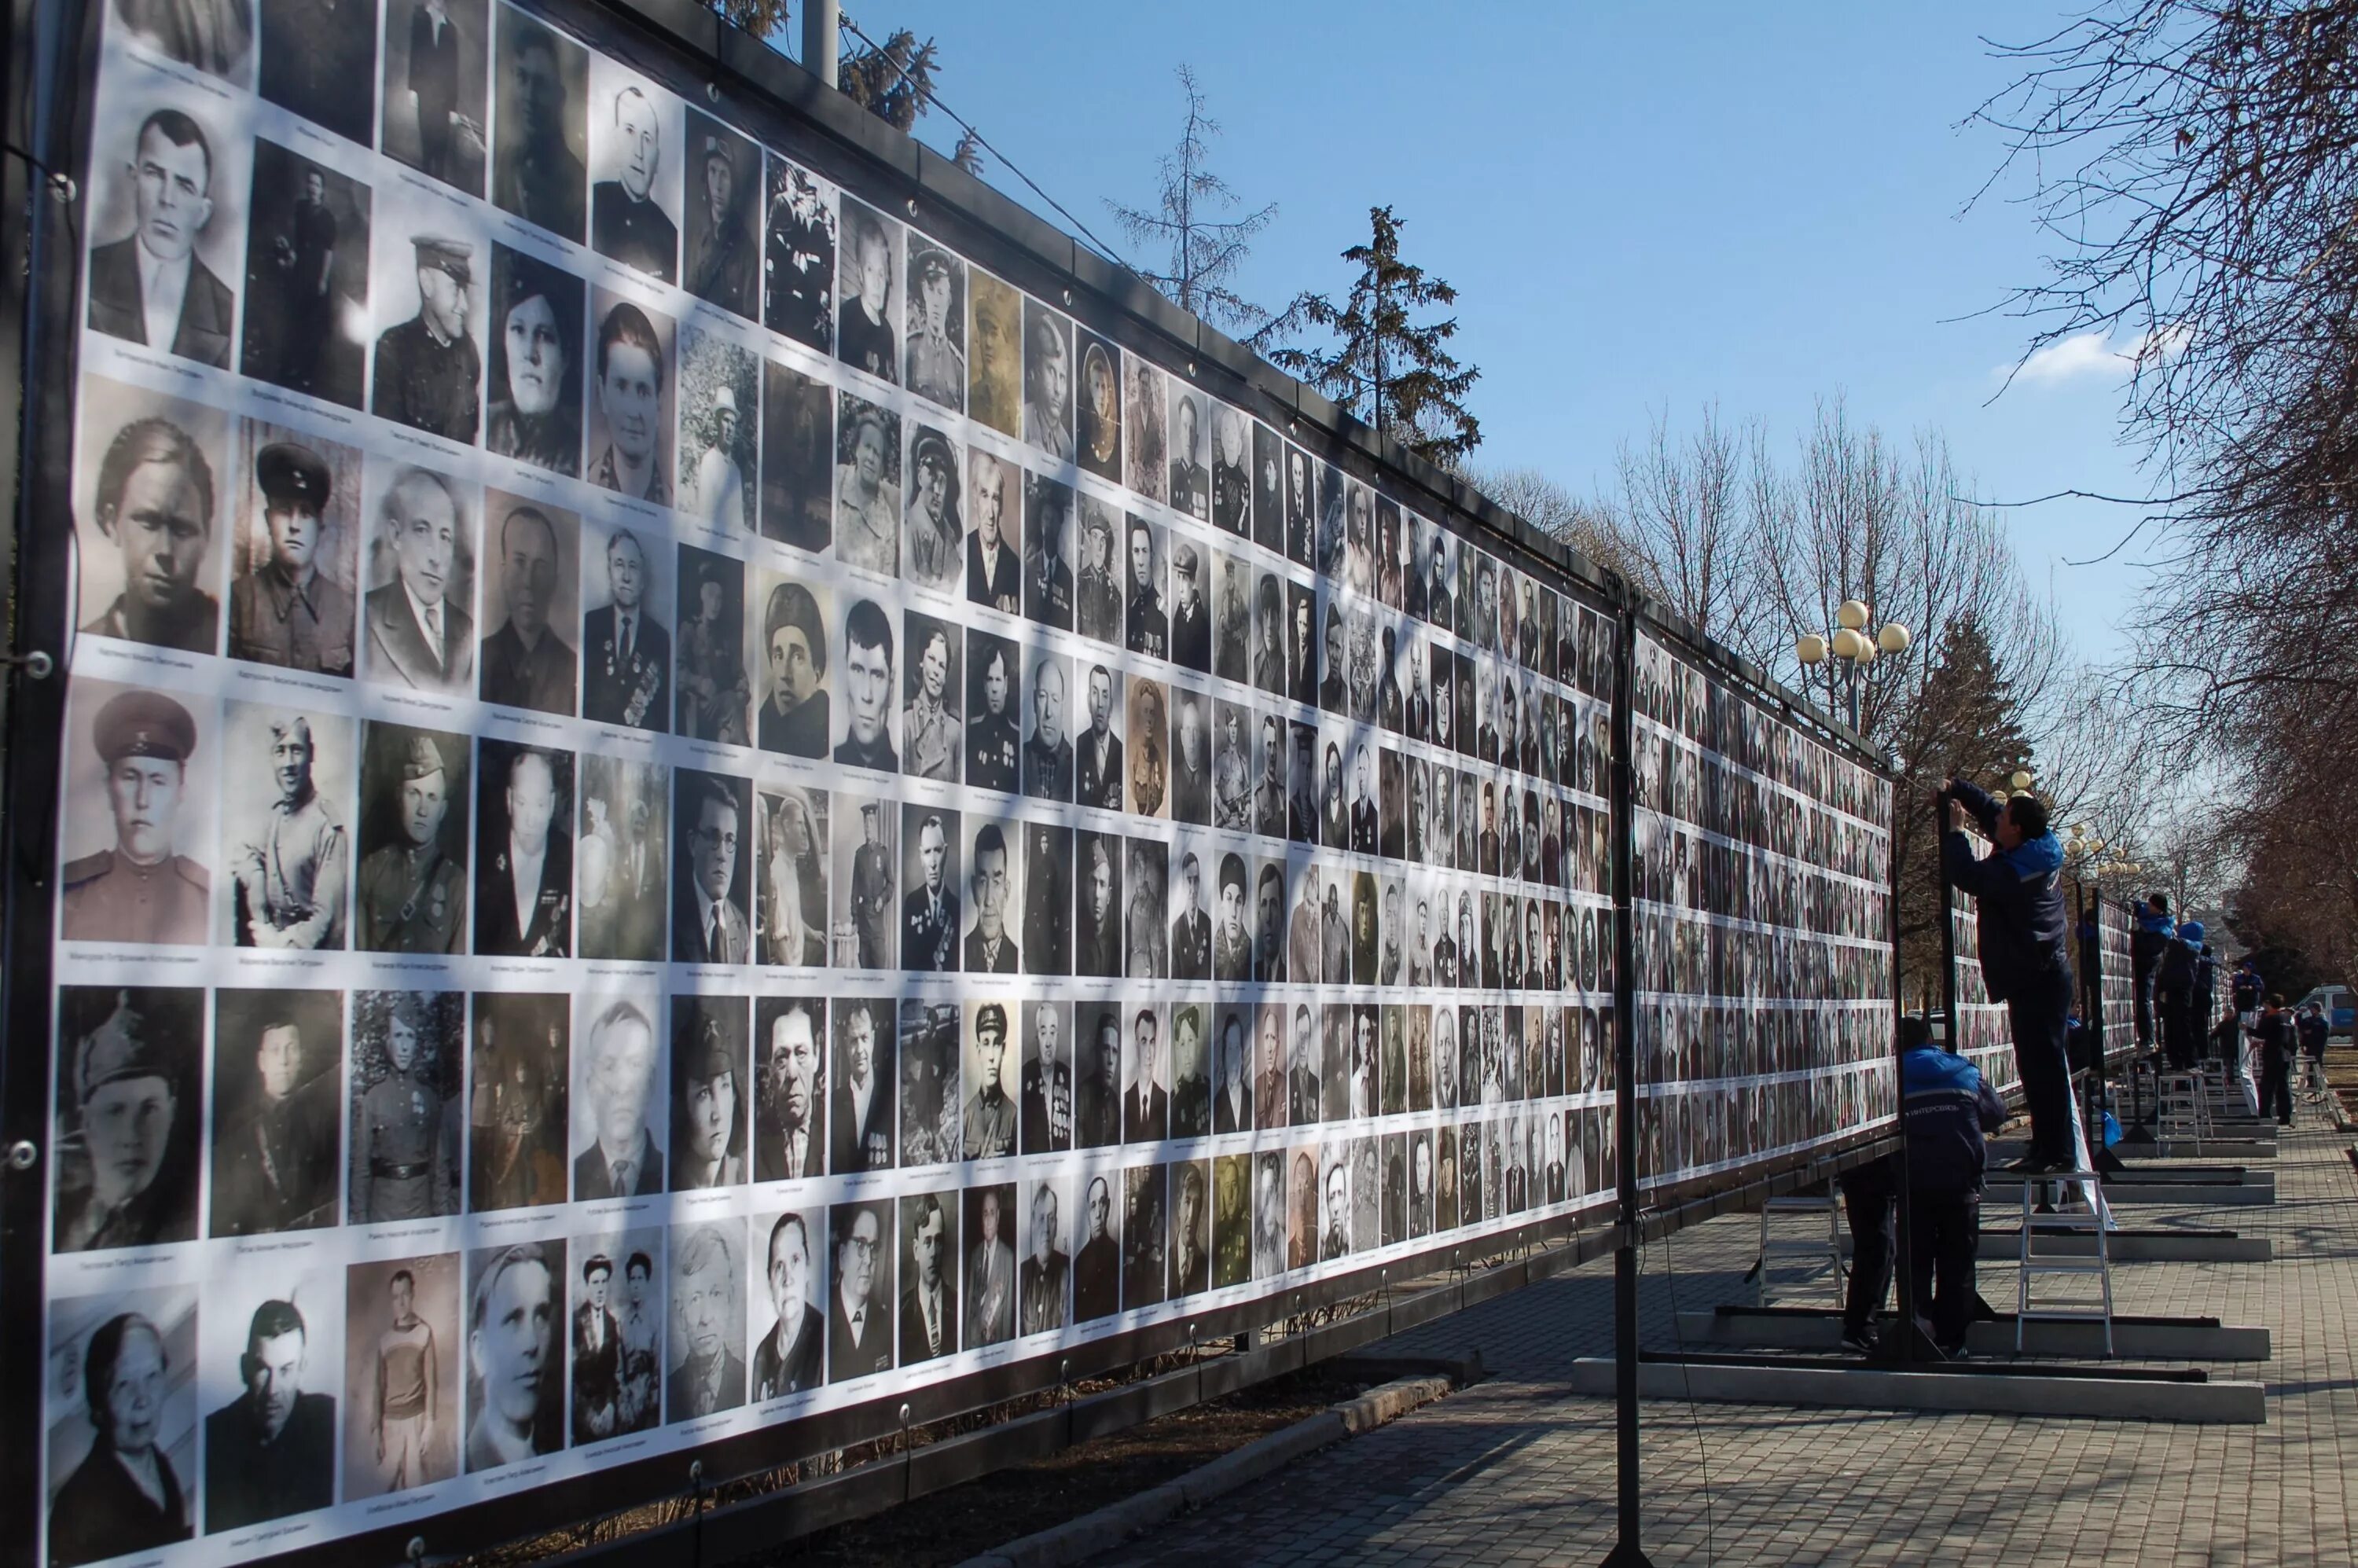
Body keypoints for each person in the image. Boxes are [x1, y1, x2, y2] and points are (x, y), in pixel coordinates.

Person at [1944, 777, 2075, 1172]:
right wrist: (1959, 787)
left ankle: (2058, 1153)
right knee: (2036, 1067)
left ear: (2015, 829)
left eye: (2005, 816)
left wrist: (1954, 833)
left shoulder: (2017, 872)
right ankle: (2046, 1147)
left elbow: (1969, 877)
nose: (1997, 818)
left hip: (2038, 977)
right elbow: (1990, 811)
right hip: (2036, 976)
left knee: (2044, 1070)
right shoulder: (2033, 850)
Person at [63, 690, 209, 945]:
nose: (143, 800)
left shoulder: (208, 896)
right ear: (110, 789)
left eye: (158, 781)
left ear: (180, 792)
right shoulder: (70, 892)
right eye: (130, 778)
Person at [89, 109, 233, 367]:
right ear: (134, 180)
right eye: (155, 173)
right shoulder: (88, 271)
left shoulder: (228, 312)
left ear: (202, 212)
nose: (167, 199)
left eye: (185, 186)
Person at [49, 1313, 192, 1565]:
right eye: (124, 1385)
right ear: (99, 1404)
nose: (143, 1399)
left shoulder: (159, 1465)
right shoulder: (76, 1503)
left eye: (152, 1377)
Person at [82, 414, 220, 652]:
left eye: (182, 528)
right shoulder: (84, 646)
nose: (165, 550)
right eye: (148, 522)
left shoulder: (230, 642)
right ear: (112, 522)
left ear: (205, 537)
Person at [229, 441, 354, 674]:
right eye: (285, 510)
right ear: (268, 519)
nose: (295, 526)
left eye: (306, 513)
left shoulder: (347, 609)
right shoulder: (237, 600)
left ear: (320, 526)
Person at [213, 1012, 336, 1233]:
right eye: (275, 1050)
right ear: (262, 1061)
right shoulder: (238, 1126)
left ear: (301, 1058)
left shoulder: (322, 1122)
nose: (283, 1060)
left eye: (291, 1049)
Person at [366, 466, 475, 692]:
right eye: (422, 530)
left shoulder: (467, 629)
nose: (436, 557)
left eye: (445, 537)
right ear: (396, 536)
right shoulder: (369, 614)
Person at [356, 736, 466, 954]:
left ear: (443, 810)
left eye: (432, 798)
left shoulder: (457, 885)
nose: (423, 810)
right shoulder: (371, 871)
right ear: (399, 797)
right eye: (414, 794)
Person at [354, 994, 457, 1221]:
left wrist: (442, 1216)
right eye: (398, 1035)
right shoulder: (374, 1097)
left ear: (416, 1044)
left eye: (410, 1037)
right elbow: (362, 1167)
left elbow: (440, 1164)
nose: (403, 1046)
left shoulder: (428, 1097)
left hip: (421, 1205)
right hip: (384, 1207)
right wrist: (361, 1220)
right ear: (387, 1041)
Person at [373, 235, 480, 442]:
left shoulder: (468, 350)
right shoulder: (394, 348)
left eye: (465, 290)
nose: (464, 306)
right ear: (427, 283)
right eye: (456, 289)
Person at [487, 251, 581, 476]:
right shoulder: (482, 426)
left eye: (545, 335)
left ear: (565, 356)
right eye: (518, 330)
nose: (530, 353)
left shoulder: (579, 454)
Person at [465, 1243, 556, 1470]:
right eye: (513, 1319)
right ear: (480, 1352)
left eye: (542, 1316)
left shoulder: (555, 1452)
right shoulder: (465, 1466)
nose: (532, 1344)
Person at [479, 505, 576, 715]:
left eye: (540, 567)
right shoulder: (479, 659)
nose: (528, 581)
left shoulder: (574, 669)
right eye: (519, 562)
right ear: (503, 572)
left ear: (554, 581)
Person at [494, 18, 586, 238]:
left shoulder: (576, 183)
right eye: (522, 78)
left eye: (541, 83)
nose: (529, 96)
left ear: (560, 97)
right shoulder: (508, 162)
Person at [580, 530, 668, 730]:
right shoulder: (590, 625)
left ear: (643, 579)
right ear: (610, 573)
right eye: (619, 565)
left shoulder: (660, 639)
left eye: (633, 567)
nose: (626, 577)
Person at [574, 1000, 662, 1198]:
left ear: (651, 1082)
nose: (622, 1087)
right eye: (609, 1067)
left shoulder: (673, 1174)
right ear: (590, 1087)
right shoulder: (571, 1178)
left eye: (635, 1064)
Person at [593, 86, 677, 281]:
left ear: (657, 157)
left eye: (647, 139)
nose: (639, 152)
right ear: (616, 141)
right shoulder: (593, 201)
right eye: (630, 131)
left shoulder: (671, 236)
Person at [590, 302, 669, 505]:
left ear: (658, 401)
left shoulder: (675, 505)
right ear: (603, 393)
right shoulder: (582, 484)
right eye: (621, 387)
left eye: (643, 391)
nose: (633, 411)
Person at [371, 1269, 441, 1492]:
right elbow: (378, 1389)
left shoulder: (424, 1333)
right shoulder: (385, 1340)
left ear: (413, 1295)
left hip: (416, 1421)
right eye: (395, 1297)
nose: (400, 1302)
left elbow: (432, 1382)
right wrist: (376, 1432)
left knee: (416, 1487)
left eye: (405, 1295)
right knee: (383, 1490)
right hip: (390, 1424)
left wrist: (429, 1424)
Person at [667, 1226, 745, 1417]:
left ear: (730, 1300)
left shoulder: (748, 1380)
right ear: (680, 1314)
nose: (706, 1318)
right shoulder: (666, 1392)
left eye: (716, 1293)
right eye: (695, 1298)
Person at [754, 1213, 824, 1401]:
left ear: (808, 1268)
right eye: (779, 1266)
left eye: (795, 1260)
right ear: (770, 1281)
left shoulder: (825, 1339)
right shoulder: (762, 1356)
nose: (788, 1279)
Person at [685, 131, 756, 315]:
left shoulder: (746, 250)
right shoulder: (695, 237)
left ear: (734, 185)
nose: (718, 185)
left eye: (724, 175)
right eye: (713, 172)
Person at [755, 580, 826, 757]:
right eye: (778, 656)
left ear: (817, 675)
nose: (785, 674)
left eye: (797, 657)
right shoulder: (756, 731)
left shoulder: (828, 737)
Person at [828, 1204, 893, 1381]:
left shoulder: (887, 1324)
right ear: (842, 1256)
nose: (868, 1259)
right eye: (861, 1245)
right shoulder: (822, 1317)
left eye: (874, 1248)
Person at [836, 599, 898, 771]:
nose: (867, 695)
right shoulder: (829, 761)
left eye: (877, 675)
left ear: (891, 688)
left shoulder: (901, 768)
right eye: (857, 670)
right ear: (845, 677)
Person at [836, 209, 897, 383]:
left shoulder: (887, 331)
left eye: (881, 273)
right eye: (870, 270)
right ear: (860, 273)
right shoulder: (847, 316)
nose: (878, 283)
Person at [832, 1001, 892, 1170]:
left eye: (864, 1038)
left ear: (872, 1040)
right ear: (845, 1045)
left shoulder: (891, 1096)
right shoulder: (833, 1104)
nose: (859, 1049)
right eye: (853, 1041)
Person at [905, 244, 965, 406]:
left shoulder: (959, 366)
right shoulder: (909, 349)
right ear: (924, 293)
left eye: (941, 293)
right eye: (931, 291)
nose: (936, 302)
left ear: (949, 299)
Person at [571, 1255, 623, 1443]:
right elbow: (571, 1380)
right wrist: (588, 1416)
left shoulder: (611, 1323)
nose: (600, 1289)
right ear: (587, 1286)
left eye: (604, 1282)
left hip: (607, 1418)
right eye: (595, 1283)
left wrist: (610, 1406)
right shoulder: (575, 1322)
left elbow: (611, 1374)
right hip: (581, 1419)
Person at [898, 1195, 955, 1364]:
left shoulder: (958, 1304)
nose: (933, 1253)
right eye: (927, 1242)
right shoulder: (901, 1314)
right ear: (916, 1250)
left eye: (938, 1241)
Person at [902, 812, 958, 971]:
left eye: (937, 851)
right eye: (927, 852)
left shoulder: (956, 908)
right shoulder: (911, 904)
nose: (933, 863)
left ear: (945, 853)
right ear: (921, 857)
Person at [903, 624, 960, 781]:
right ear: (922, 661)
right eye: (932, 659)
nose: (936, 670)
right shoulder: (905, 722)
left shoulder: (955, 730)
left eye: (942, 666)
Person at [966, 451, 1022, 614]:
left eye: (996, 499)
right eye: (985, 496)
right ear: (975, 498)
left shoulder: (1014, 565)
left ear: (1002, 506)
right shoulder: (962, 551)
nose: (990, 514)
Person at [967, 641, 1020, 795]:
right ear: (985, 686)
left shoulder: (1017, 738)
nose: (995, 688)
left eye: (999, 680)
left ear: (1006, 685)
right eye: (990, 680)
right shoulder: (972, 732)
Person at [692, 385, 748, 531]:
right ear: (717, 422)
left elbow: (739, 521)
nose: (729, 428)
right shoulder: (709, 461)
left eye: (733, 423)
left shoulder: (736, 471)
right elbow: (704, 516)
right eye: (725, 421)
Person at [964, 824, 1018, 973]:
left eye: (996, 882)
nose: (989, 900)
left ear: (1006, 892)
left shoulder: (1018, 960)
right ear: (974, 890)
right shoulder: (960, 954)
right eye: (982, 882)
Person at [1021, 1004, 1071, 1153]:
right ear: (1037, 1037)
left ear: (1058, 1036)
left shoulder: (1068, 1076)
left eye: (1053, 1033)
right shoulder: (1025, 1075)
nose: (1048, 1043)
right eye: (1043, 1034)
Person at [1019, 1185, 1069, 1334]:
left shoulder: (1067, 1270)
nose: (1046, 1228)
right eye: (1041, 1219)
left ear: (1057, 1225)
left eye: (1051, 1218)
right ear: (1033, 1224)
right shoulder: (1022, 1274)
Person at [1023, 658, 1074, 802]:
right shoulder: (1019, 757)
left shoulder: (1078, 765)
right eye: (1043, 697)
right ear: (1034, 701)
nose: (1048, 712)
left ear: (1063, 707)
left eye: (1055, 699)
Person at [1023, 308, 1072, 459]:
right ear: (1034, 374)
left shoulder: (1067, 446)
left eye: (1062, 378)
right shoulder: (1022, 421)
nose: (1058, 389)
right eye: (1051, 372)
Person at [849, 802, 893, 968]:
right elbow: (854, 889)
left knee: (880, 970)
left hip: (877, 926)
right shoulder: (859, 855)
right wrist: (854, 919)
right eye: (866, 822)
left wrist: (882, 898)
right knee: (865, 971)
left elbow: (891, 884)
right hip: (863, 925)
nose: (868, 826)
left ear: (877, 825)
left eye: (872, 822)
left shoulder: (883, 853)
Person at [1076, 665, 1123, 811]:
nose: (1100, 704)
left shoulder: (1122, 752)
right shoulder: (1077, 746)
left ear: (1111, 705)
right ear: (1089, 701)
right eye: (1095, 693)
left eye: (1105, 695)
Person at [2131, 892, 2173, 1052]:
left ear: (2157, 908)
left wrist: (2138, 933)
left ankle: (2147, 1039)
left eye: (2151, 905)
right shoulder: (2147, 915)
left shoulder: (2162, 929)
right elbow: (2138, 906)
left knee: (2144, 999)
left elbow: (2150, 949)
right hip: (2140, 961)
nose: (2147, 906)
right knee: (2141, 999)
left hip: (2148, 963)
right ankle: (2146, 1039)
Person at [1075, 1009, 1121, 1150]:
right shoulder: (1082, 1096)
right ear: (1096, 1051)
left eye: (1114, 1051)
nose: (1110, 1061)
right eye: (1106, 1049)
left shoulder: (1115, 1102)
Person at [2250, 994, 2297, 1126]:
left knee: (2267, 1086)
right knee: (2283, 1087)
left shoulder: (2269, 1018)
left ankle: (2265, 1113)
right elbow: (2285, 1037)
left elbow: (2261, 1033)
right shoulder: (2286, 1018)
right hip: (2285, 1055)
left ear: (2270, 1005)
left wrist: (2246, 1029)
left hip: (2272, 1056)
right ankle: (2285, 1116)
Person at [1074, 1176, 1118, 1320]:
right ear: (1087, 1212)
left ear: (1109, 1206)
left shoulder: (1119, 1255)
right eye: (1093, 1206)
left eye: (1102, 1203)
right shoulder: (1078, 1264)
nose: (1098, 1214)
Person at [1172, 852, 1212, 979]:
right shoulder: (1176, 930)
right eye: (1189, 881)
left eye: (1196, 880)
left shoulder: (1208, 924)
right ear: (1183, 884)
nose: (1193, 889)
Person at [1170, 545, 1209, 671]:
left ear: (1193, 582)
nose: (1180, 588)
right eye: (1179, 578)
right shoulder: (1178, 616)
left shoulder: (1202, 623)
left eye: (1185, 579)